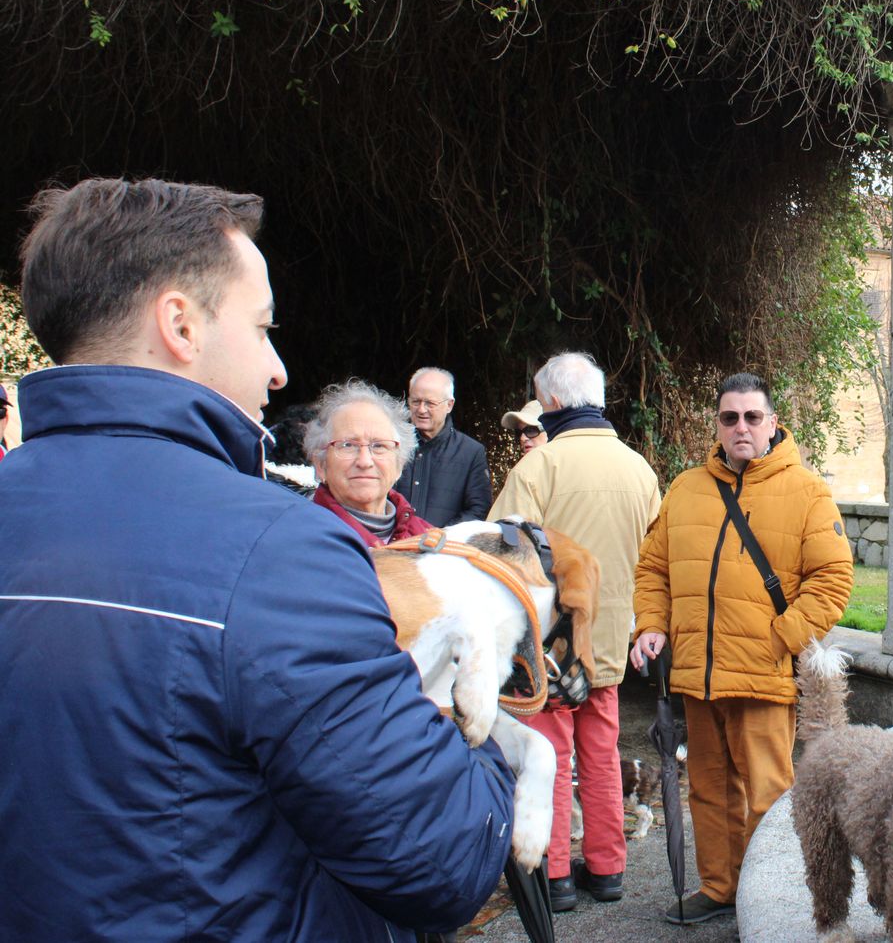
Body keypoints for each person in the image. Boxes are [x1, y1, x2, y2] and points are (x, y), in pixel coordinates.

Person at [0, 178, 515, 941]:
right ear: (180, 323)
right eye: (263, 327)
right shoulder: (280, 553)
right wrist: (485, 745)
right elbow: (443, 861)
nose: (278, 370)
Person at [630, 372, 854, 925]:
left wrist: (779, 640)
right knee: (708, 792)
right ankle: (720, 887)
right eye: (730, 418)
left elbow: (833, 578)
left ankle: (770, 903)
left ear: (773, 423)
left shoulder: (806, 491)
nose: (741, 427)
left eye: (753, 417)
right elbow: (653, 568)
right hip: (697, 676)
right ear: (718, 425)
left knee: (769, 796)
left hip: (761, 676)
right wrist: (651, 626)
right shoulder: (685, 488)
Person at [487, 353, 660, 911]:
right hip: (610, 641)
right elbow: (654, 558)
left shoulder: (539, 468)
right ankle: (608, 869)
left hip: (550, 649)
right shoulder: (639, 468)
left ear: (554, 403)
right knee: (602, 754)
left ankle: (555, 876)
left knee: (549, 757)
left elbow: (499, 556)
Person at [309, 380, 435, 546]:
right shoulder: (302, 535)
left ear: (400, 464)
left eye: (379, 446)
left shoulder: (431, 539)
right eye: (348, 445)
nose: (365, 461)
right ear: (320, 465)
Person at [396, 366, 492, 526]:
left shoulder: (470, 452)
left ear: (449, 405)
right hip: (392, 544)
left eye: (430, 403)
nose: (421, 409)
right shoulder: (392, 444)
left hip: (444, 547)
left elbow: (479, 509)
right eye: (415, 401)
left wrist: (441, 536)